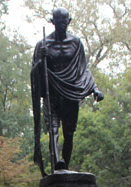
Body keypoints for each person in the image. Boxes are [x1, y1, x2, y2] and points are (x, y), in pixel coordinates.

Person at [31, 7, 104, 174]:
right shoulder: (43, 45)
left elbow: (83, 69)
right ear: (53, 22)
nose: (61, 25)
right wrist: (41, 60)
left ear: (69, 22)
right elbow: (34, 72)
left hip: (71, 93)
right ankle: (57, 165)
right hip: (52, 94)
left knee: (69, 133)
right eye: (58, 22)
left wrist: (94, 89)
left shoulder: (76, 43)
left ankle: (66, 167)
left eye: (64, 22)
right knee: (53, 130)